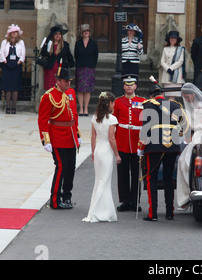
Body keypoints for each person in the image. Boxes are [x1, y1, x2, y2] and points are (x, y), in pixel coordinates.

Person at [139, 78, 189, 221]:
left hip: (154, 146)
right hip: (172, 146)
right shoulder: (174, 105)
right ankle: (169, 212)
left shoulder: (148, 105)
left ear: (151, 95)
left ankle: (152, 213)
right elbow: (185, 126)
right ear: (162, 93)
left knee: (151, 178)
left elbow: (145, 129)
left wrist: (141, 147)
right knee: (169, 179)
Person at [38, 62, 81, 209]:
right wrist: (45, 140)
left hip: (70, 137)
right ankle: (55, 200)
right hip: (56, 136)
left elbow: (74, 114)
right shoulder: (49, 96)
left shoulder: (71, 93)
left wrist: (77, 132)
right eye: (65, 81)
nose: (68, 83)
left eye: (69, 81)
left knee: (71, 168)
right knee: (61, 166)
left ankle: (67, 196)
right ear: (58, 81)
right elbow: (43, 119)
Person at [83, 91, 121, 223]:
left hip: (98, 149)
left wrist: (93, 152)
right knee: (104, 181)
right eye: (113, 103)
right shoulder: (112, 119)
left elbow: (93, 136)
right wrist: (117, 154)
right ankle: (98, 212)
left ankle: (97, 210)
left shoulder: (95, 117)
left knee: (99, 181)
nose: (114, 105)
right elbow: (111, 138)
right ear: (109, 103)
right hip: (106, 151)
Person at [112, 74, 146, 212]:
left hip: (137, 141)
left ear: (136, 86)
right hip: (122, 141)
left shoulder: (142, 101)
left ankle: (135, 201)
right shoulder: (119, 102)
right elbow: (114, 123)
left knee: (136, 174)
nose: (129, 87)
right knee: (123, 173)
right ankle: (125, 201)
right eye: (127, 85)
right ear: (124, 86)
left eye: (131, 85)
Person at [176, 83, 202, 210]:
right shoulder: (192, 105)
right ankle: (187, 195)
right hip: (195, 136)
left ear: (193, 95)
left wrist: (190, 127)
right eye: (185, 97)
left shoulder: (200, 106)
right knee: (182, 163)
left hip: (200, 136)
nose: (187, 100)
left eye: (188, 97)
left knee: (188, 163)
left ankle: (191, 194)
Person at [0, 24, 25, 114]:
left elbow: (23, 54)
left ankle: (14, 107)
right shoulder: (4, 42)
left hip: (17, 66)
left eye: (15, 32)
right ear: (9, 33)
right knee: (8, 87)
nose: (14, 34)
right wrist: (5, 62)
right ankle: (8, 106)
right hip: (7, 65)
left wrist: (18, 62)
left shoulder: (21, 42)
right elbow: (1, 53)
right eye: (12, 32)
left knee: (15, 87)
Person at [40, 24, 75, 90]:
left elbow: (69, 57)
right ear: (53, 35)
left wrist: (68, 65)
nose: (58, 36)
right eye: (56, 34)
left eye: (59, 34)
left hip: (61, 70)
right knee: (50, 88)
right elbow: (43, 54)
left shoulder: (65, 45)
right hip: (50, 69)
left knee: (60, 88)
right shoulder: (49, 44)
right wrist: (46, 43)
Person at [74, 24, 99, 117]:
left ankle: (86, 108)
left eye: (87, 31)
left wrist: (92, 66)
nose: (86, 32)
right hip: (80, 68)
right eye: (84, 31)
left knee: (87, 90)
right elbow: (76, 55)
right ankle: (81, 108)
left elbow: (95, 56)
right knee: (80, 90)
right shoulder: (78, 43)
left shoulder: (94, 43)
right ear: (82, 33)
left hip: (90, 68)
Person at [160, 30, 186, 98]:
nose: (173, 39)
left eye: (174, 38)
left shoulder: (181, 49)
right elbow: (162, 61)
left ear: (177, 40)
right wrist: (167, 69)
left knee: (174, 96)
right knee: (167, 95)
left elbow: (181, 61)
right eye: (171, 38)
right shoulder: (165, 49)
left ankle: (174, 108)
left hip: (176, 74)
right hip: (167, 74)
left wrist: (171, 68)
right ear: (169, 39)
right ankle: (167, 109)